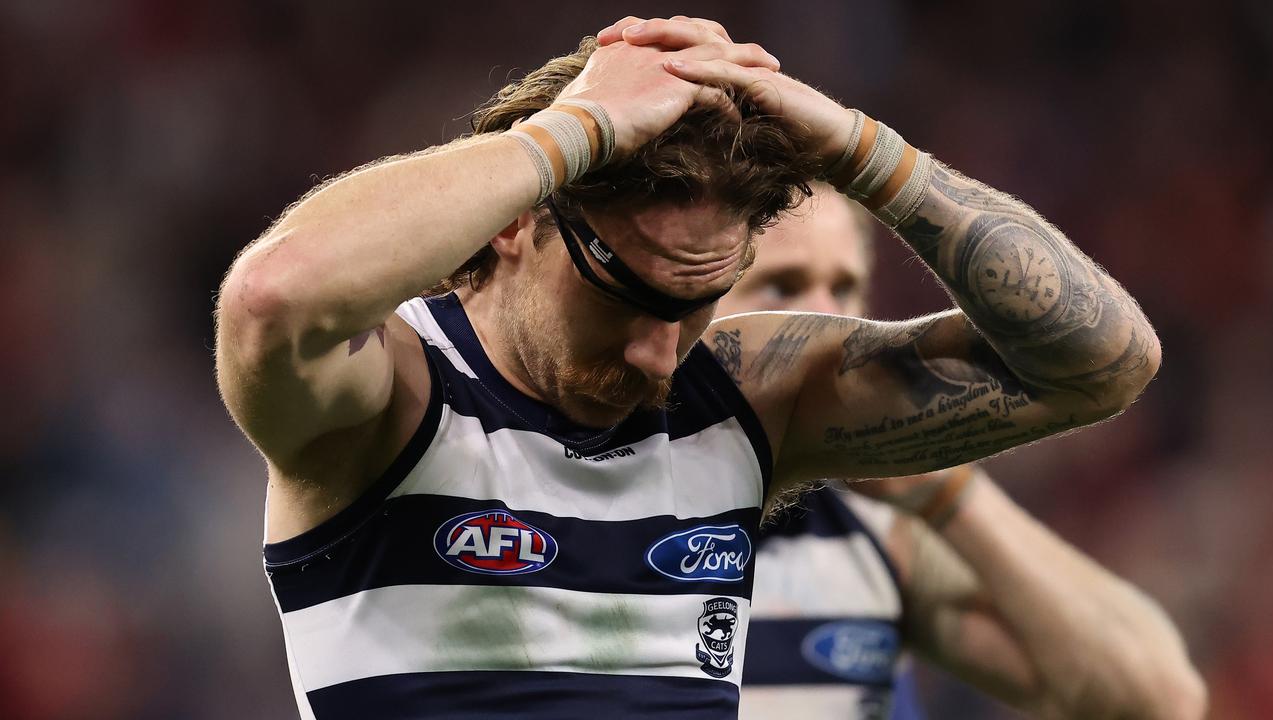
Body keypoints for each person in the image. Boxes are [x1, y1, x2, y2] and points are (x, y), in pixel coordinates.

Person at [214, 16, 1165, 719]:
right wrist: (566, 132)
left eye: (698, 302)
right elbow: (271, 301)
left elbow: (1102, 362)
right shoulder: (392, 395)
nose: (661, 354)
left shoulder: (748, 395)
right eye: (629, 295)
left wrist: (860, 151)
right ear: (515, 223)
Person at [724, 185, 1206, 719]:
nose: (830, 325)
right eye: (781, 287)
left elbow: (1157, 699)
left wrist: (944, 490)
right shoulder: (627, 497)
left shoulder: (881, 529)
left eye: (844, 290)